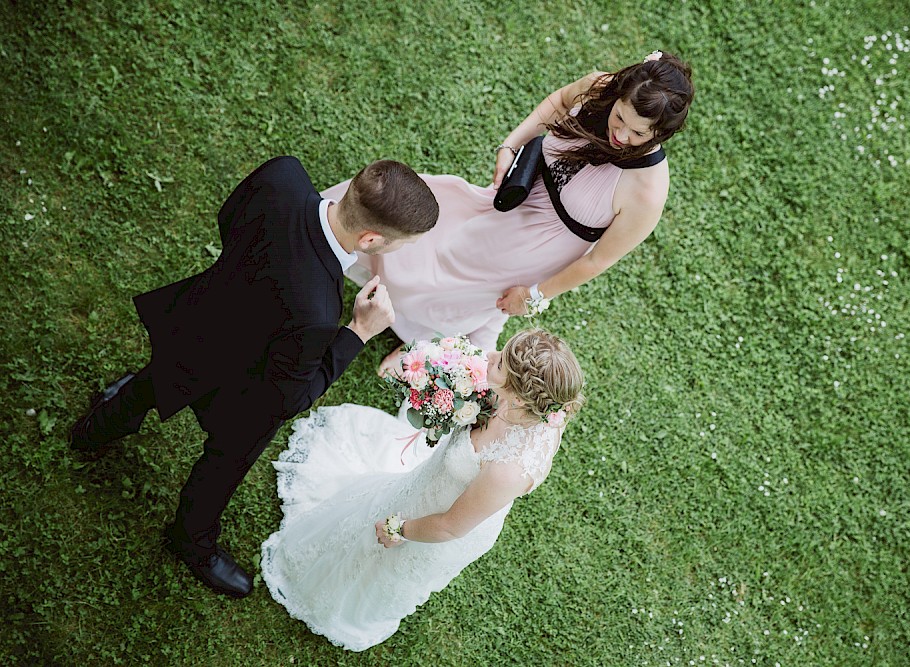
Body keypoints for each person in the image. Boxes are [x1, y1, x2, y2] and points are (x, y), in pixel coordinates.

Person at [68, 156, 439, 598]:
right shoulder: (319, 310)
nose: (400, 250)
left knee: (157, 375)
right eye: (402, 244)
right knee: (225, 461)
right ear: (372, 238)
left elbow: (229, 220)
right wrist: (359, 332)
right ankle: (192, 539)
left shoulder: (284, 175)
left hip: (199, 320)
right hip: (245, 389)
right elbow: (291, 398)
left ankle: (100, 425)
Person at [320, 50, 693, 370]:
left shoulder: (647, 193)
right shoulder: (600, 87)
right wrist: (511, 145)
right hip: (513, 196)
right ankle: (335, 246)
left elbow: (597, 262)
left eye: (638, 134)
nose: (622, 136)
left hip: (538, 247)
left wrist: (534, 295)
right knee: (435, 225)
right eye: (620, 118)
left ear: (661, 134)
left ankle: (426, 337)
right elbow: (560, 102)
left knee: (457, 290)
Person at [260, 328, 584, 651]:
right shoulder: (543, 404)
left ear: (518, 397)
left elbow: (450, 525)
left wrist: (398, 528)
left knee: (384, 561)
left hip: (445, 520)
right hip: (430, 482)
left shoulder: (509, 470)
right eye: (502, 353)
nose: (490, 356)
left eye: (500, 364)